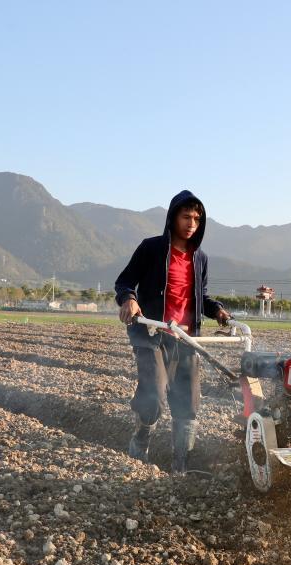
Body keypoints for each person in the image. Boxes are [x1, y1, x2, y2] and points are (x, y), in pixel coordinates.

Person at [114, 190, 230, 472]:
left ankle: (181, 464)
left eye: (197, 219)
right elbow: (125, 281)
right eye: (186, 217)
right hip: (152, 334)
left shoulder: (200, 258)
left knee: (188, 403)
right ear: (173, 217)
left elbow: (201, 296)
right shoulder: (151, 248)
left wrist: (217, 310)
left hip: (186, 338)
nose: (192, 223)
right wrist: (129, 299)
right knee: (153, 395)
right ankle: (141, 439)